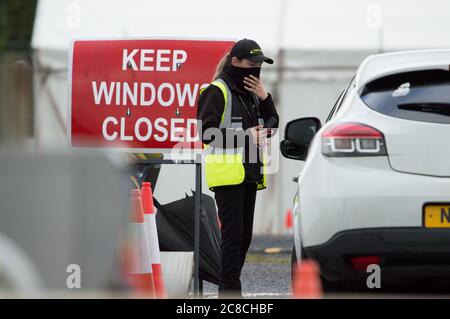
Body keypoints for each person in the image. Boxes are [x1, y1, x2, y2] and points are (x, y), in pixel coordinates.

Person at [197, 39, 279, 297]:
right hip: (227, 174)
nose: (256, 69)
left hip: (249, 172)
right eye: (252, 63)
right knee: (233, 237)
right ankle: (230, 293)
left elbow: (273, 125)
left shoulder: (252, 95)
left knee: (243, 239)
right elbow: (206, 132)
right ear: (235, 62)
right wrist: (246, 136)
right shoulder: (216, 90)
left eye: (260, 64)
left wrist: (265, 97)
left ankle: (228, 288)